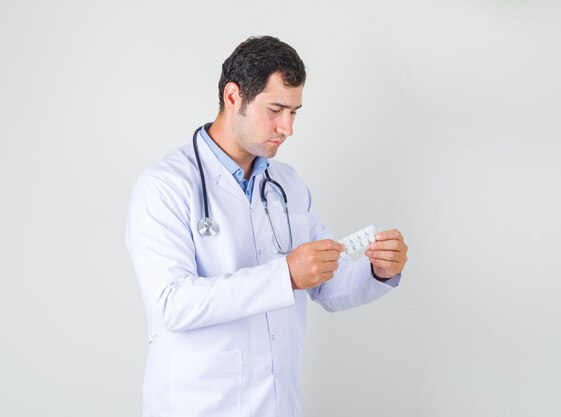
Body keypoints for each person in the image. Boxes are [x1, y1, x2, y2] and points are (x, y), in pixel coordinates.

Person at [125, 35, 408, 417]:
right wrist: (284, 276)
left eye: (294, 112)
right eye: (276, 110)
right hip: (198, 404)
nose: (287, 127)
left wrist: (377, 272)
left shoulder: (287, 185)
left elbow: (325, 283)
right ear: (233, 97)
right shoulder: (165, 185)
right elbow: (171, 304)